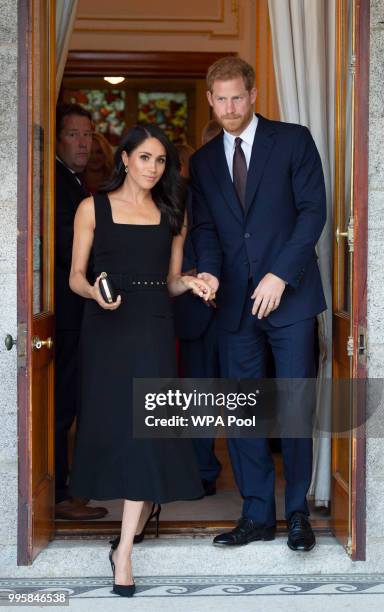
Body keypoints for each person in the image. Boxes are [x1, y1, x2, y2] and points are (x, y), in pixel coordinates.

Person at [67, 124, 212, 596]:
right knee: (115, 431)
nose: (153, 168)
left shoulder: (172, 213)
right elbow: (74, 277)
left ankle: (124, 550)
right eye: (145, 158)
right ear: (125, 159)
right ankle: (125, 536)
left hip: (152, 328)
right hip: (106, 330)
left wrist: (189, 282)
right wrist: (95, 293)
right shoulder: (92, 207)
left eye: (161, 161)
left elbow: (169, 281)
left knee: (147, 434)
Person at [190, 56, 327, 552]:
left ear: (253, 96)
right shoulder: (202, 162)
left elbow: (314, 212)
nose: (228, 107)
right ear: (211, 100)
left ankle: (296, 515)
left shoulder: (293, 140)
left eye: (237, 97)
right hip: (232, 306)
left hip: (289, 301)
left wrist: (278, 275)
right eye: (220, 99)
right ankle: (255, 515)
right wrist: (206, 270)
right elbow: (205, 227)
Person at [55, 103, 108, 520]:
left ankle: (66, 490)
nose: (83, 143)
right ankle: (59, 494)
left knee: (70, 401)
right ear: (58, 139)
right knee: (62, 403)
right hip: (65, 311)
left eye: (87, 134)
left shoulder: (75, 182)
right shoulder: (56, 183)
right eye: (73, 134)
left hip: (77, 311)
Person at [174, 142, 221, 496]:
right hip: (183, 303)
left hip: (229, 305)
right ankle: (195, 468)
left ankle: (206, 468)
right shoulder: (178, 198)